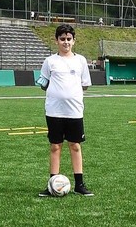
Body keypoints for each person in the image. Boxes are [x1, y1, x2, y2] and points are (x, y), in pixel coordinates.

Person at [37, 23, 94, 197]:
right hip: (54, 111)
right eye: (62, 39)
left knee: (75, 146)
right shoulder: (50, 61)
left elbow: (85, 85)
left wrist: (70, 95)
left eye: (69, 39)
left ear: (74, 41)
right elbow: (43, 84)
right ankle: (52, 183)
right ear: (56, 41)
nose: (66, 42)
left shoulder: (81, 61)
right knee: (55, 146)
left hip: (74, 111)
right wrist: (58, 94)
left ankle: (79, 184)